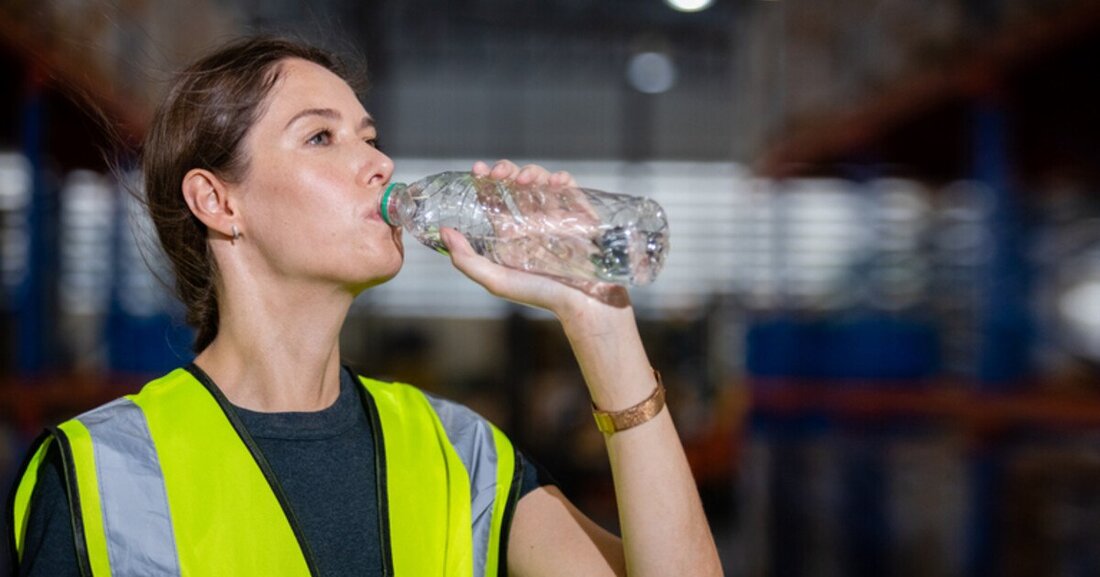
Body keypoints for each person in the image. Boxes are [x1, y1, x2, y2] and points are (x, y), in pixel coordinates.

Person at [7, 35, 722, 576]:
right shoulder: (100, 470)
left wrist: (599, 320)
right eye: (321, 136)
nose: (380, 163)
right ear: (218, 202)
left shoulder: (459, 452)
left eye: (371, 137)